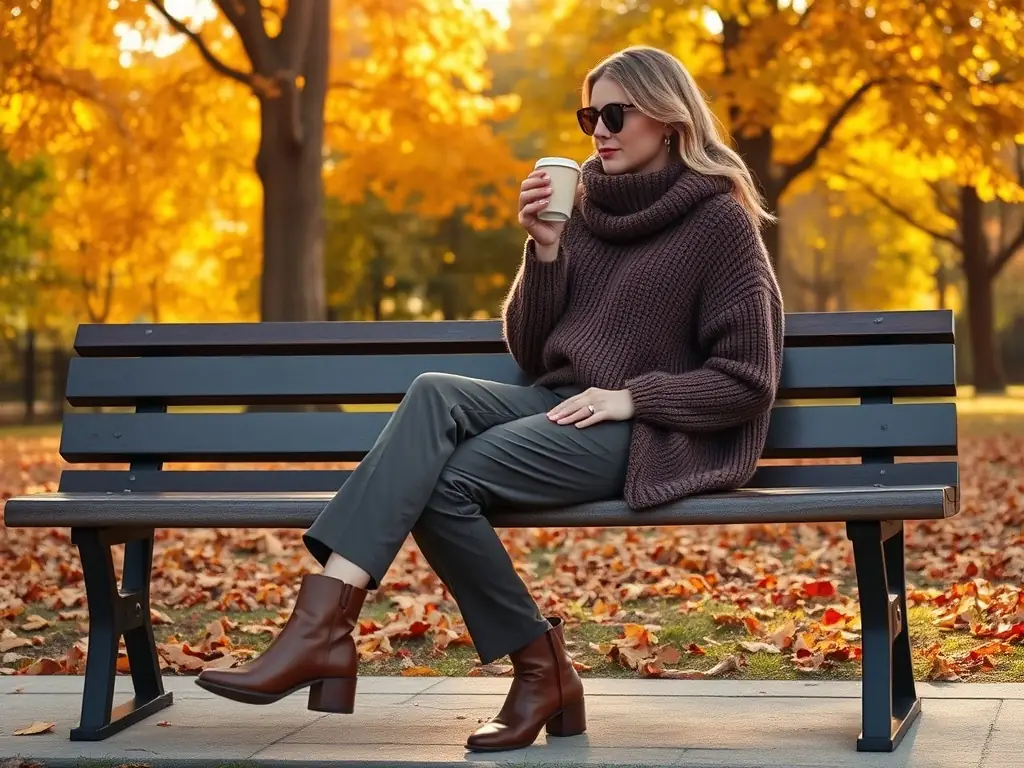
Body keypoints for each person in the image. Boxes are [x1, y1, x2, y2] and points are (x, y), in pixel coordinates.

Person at [195, 44, 784, 753]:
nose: (598, 128)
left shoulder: (718, 223)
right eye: (589, 113)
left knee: (447, 484)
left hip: (649, 432)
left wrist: (629, 398)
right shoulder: (586, 211)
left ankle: (535, 671)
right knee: (433, 392)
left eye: (615, 113)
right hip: (564, 404)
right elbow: (535, 354)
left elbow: (748, 379)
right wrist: (543, 251)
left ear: (667, 119)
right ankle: (323, 630)